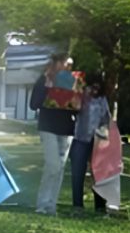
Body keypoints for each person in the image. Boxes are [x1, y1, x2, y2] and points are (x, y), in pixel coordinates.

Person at [28, 53, 77, 215]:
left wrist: (78, 99)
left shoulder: (72, 81)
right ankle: (42, 204)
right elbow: (33, 105)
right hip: (48, 127)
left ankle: (51, 205)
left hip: (66, 128)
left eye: (70, 65)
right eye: (65, 64)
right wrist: (47, 86)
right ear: (56, 64)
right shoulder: (44, 80)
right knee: (53, 165)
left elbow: (78, 106)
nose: (67, 67)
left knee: (59, 168)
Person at [69, 72, 112, 213]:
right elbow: (74, 108)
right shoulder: (82, 96)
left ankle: (100, 206)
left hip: (98, 140)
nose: (94, 90)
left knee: (99, 174)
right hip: (81, 138)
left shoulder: (102, 99)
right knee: (78, 173)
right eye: (92, 86)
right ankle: (77, 205)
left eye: (97, 87)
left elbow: (107, 118)